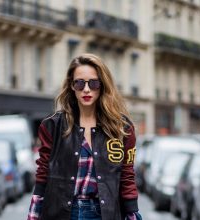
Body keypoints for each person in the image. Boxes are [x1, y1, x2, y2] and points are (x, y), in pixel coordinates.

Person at [27, 53, 142, 220]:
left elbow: (127, 175)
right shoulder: (52, 126)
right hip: (61, 213)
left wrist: (132, 212)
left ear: (102, 85)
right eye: (80, 83)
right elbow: (43, 174)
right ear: (72, 86)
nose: (86, 89)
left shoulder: (122, 128)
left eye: (93, 83)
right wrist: (33, 215)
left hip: (103, 214)